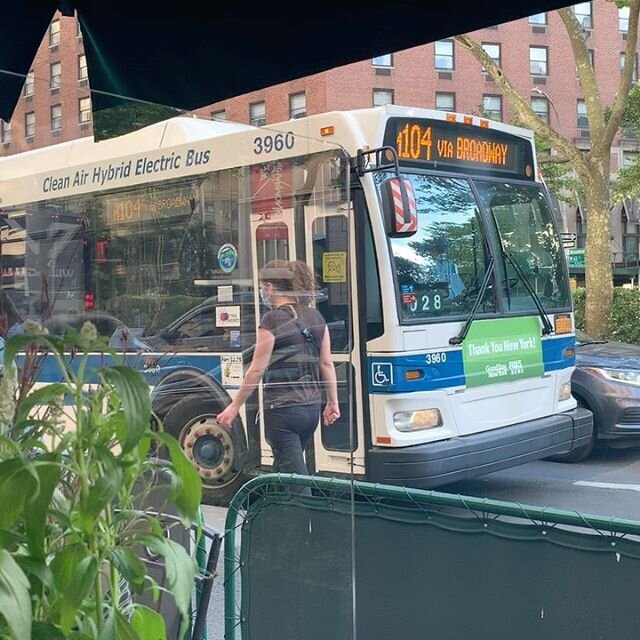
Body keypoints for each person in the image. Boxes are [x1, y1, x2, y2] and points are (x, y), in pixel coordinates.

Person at [215, 259, 340, 486]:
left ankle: (308, 520)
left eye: (263, 286)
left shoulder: (272, 319)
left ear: (271, 287)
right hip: (311, 409)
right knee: (281, 473)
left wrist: (234, 406)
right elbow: (327, 364)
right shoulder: (315, 317)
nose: (263, 292)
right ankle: (264, 519)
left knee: (295, 482)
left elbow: (257, 369)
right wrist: (333, 403)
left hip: (282, 412)